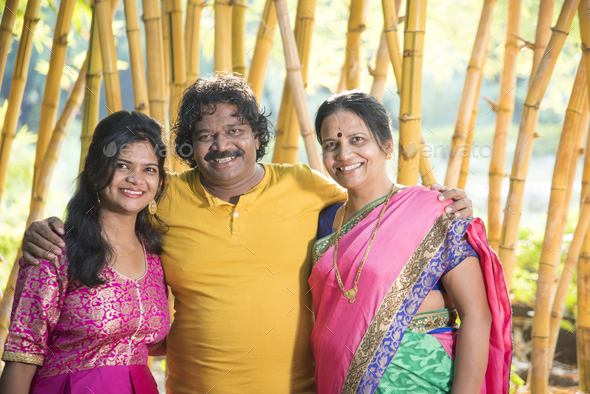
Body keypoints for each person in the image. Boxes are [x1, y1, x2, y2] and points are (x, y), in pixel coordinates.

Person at [20, 75, 475, 393]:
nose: (221, 146)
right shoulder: (163, 195)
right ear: (187, 147)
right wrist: (47, 229)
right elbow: (110, 206)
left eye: (235, 130)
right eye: (205, 135)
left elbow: (373, 199)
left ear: (257, 136)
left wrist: (441, 201)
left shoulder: (305, 186)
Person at [310, 91, 512, 394]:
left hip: (423, 378)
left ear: (387, 146)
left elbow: (477, 314)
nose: (343, 154)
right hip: (336, 380)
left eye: (357, 140)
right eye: (331, 144)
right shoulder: (325, 223)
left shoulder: (435, 211)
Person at [0, 111, 170, 394]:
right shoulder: (55, 250)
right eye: (122, 165)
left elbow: (153, 342)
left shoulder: (155, 253)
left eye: (149, 169)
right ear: (94, 171)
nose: (136, 179)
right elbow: (22, 355)